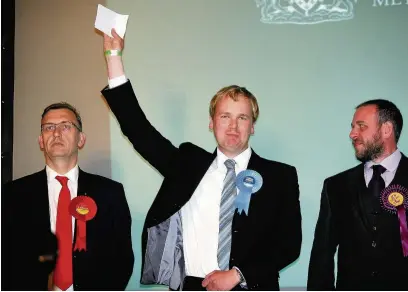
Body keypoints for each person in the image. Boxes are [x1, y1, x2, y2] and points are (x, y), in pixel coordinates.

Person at [100, 29, 301, 291]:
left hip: (252, 286)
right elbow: (139, 131)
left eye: (242, 118)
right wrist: (113, 58)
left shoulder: (280, 176)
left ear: (252, 126)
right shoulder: (187, 164)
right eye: (224, 116)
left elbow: (289, 244)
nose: (232, 126)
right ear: (211, 123)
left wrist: (237, 274)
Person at [1, 102, 134, 290]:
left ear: (81, 139)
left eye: (66, 126)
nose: (56, 133)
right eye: (49, 127)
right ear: (41, 141)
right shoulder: (11, 194)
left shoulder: (110, 193)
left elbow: (123, 258)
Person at [307, 99, 408, 290]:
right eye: (353, 127)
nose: (352, 134)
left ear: (386, 130)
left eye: (361, 126)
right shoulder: (335, 186)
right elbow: (323, 254)